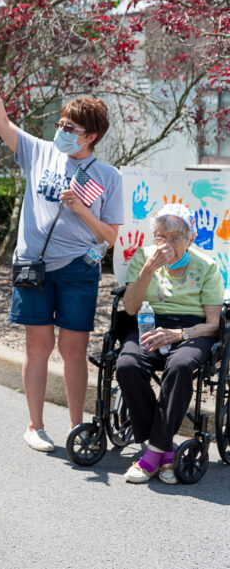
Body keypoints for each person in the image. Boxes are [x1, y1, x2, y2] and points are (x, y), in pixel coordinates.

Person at [0, 54, 123, 453]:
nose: (61, 131)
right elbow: (0, 122)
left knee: (73, 349)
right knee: (37, 345)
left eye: (70, 127)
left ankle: (77, 428)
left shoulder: (109, 177)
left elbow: (110, 237)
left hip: (77, 269)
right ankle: (35, 426)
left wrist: (81, 208)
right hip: (32, 265)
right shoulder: (38, 152)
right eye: (60, 124)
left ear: (90, 137)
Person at [117, 205, 224, 484]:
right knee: (127, 363)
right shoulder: (143, 256)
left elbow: (214, 323)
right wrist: (150, 267)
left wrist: (179, 334)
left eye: (176, 237)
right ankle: (165, 450)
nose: (167, 244)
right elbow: (129, 308)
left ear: (191, 238)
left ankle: (151, 455)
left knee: (179, 365)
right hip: (147, 322)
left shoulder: (208, 267)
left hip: (191, 329)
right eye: (161, 237)